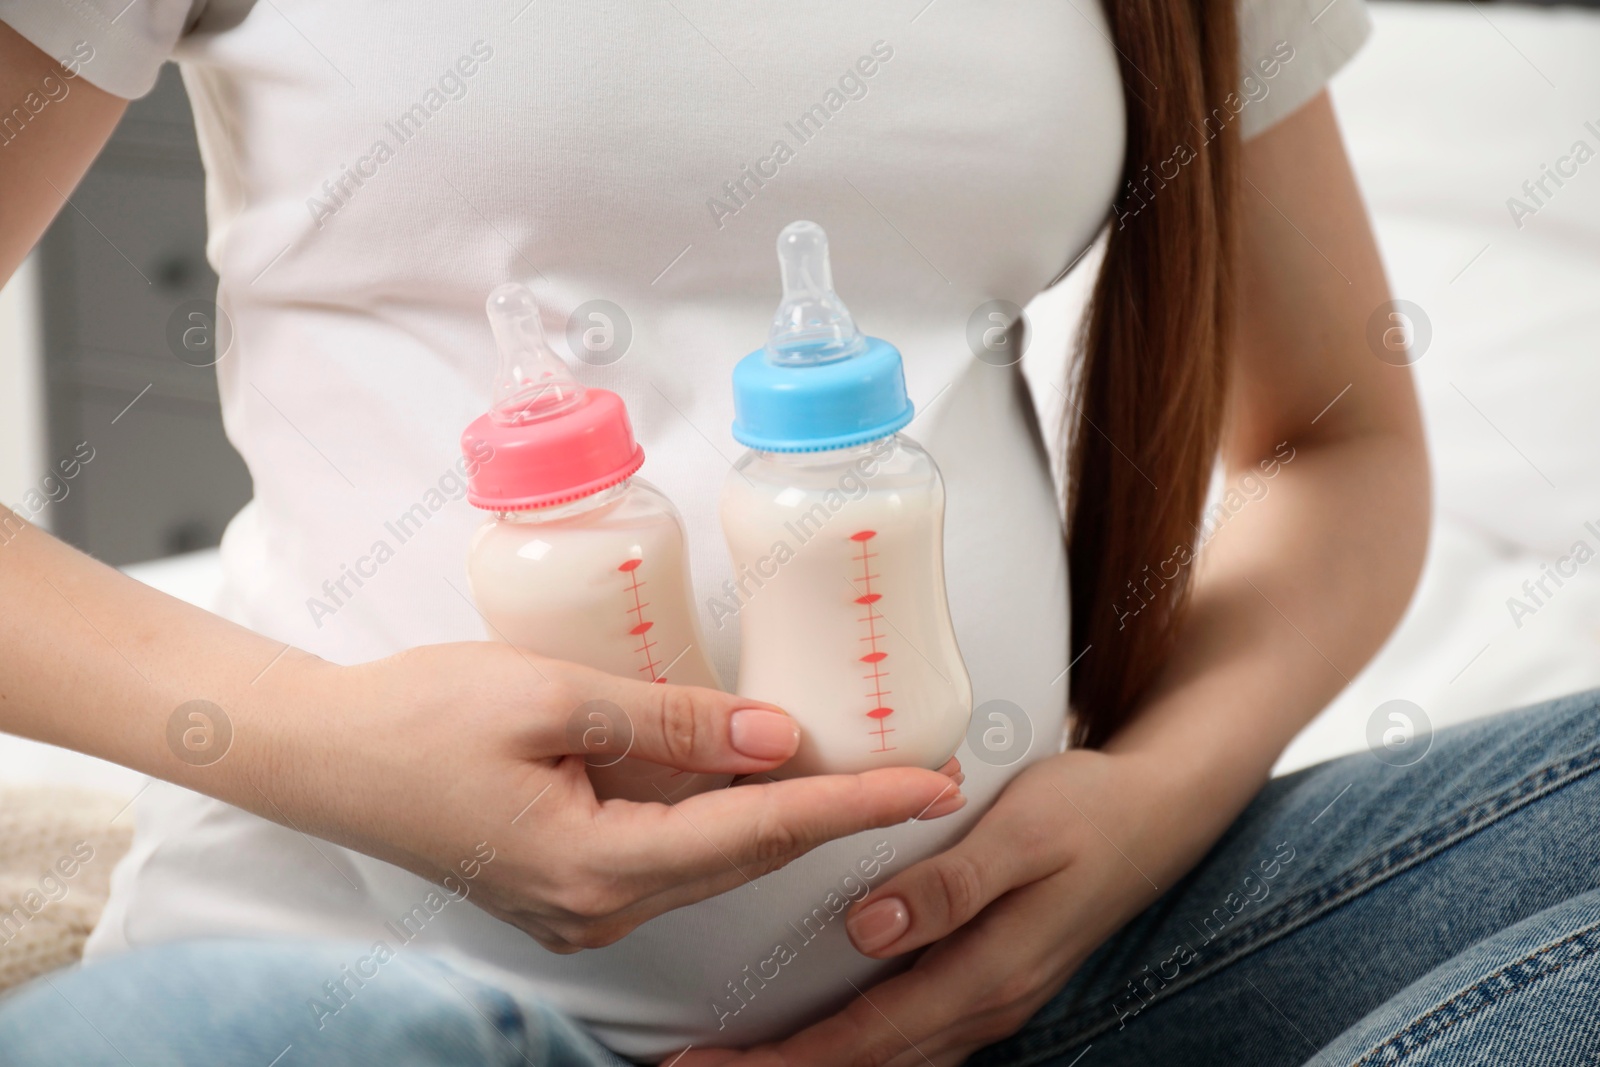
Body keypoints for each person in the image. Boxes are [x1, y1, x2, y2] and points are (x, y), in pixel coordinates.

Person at [0, 1, 1596, 1064]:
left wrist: (1138, 818)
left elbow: (1335, 439)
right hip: (390, 990)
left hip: (1025, 1005)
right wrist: (331, 746)